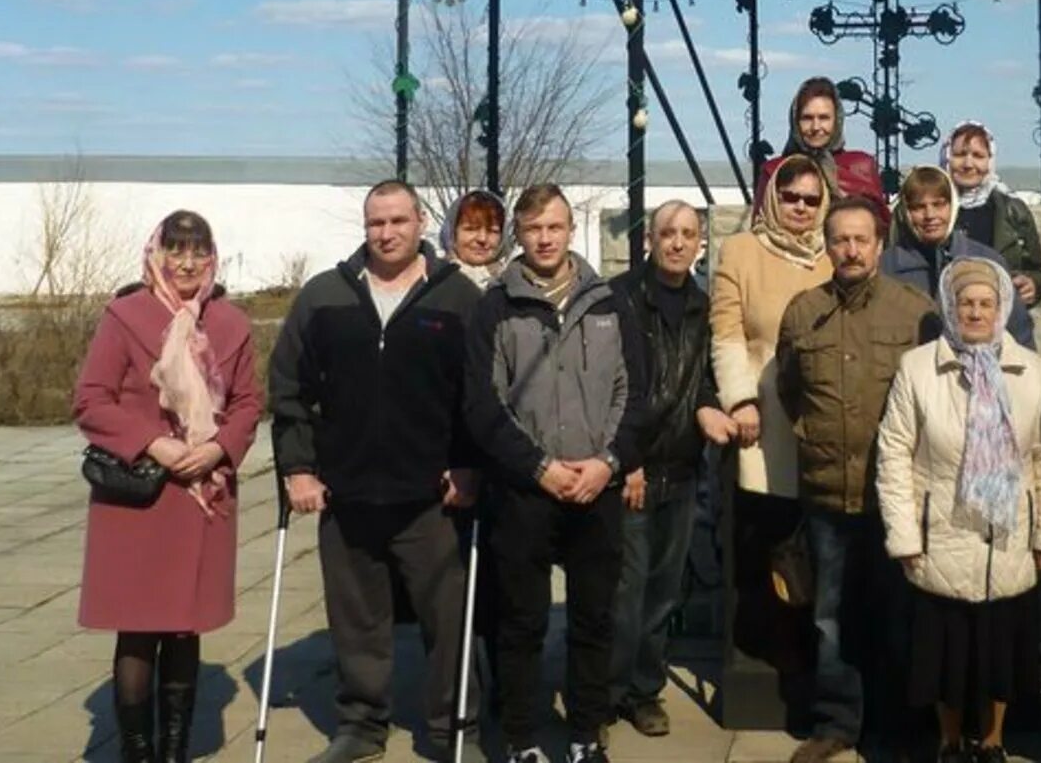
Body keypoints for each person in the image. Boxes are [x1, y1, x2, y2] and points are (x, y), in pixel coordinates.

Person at [269, 181, 483, 763]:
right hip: (347, 491)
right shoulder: (323, 297)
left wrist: (468, 464)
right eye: (375, 223)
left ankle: (451, 725)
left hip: (431, 496)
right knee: (358, 621)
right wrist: (298, 469)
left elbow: (478, 395)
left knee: (449, 620)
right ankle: (361, 726)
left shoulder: (457, 298)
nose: (386, 233)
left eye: (397, 221)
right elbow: (289, 390)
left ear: (419, 222)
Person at [465, 183, 646, 763]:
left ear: (572, 230)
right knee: (521, 622)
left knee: (594, 619)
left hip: (598, 486)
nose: (545, 238)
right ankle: (520, 738)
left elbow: (634, 393)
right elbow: (482, 406)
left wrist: (608, 463)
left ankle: (587, 732)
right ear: (519, 234)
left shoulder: (611, 304)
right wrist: (538, 468)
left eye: (555, 227)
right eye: (533, 228)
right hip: (526, 491)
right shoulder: (496, 306)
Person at [75, 211, 262, 763]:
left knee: (185, 629)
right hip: (139, 498)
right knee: (137, 631)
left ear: (213, 258)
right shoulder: (125, 314)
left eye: (197, 251)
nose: (186, 262)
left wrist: (219, 447)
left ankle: (176, 751)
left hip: (202, 496)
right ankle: (136, 751)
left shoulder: (232, 322)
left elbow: (249, 403)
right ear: (156, 254)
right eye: (175, 250)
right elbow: (92, 400)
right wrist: (155, 445)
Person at [875, 258, 1041, 763]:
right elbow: (893, 454)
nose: (976, 312)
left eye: (986, 303)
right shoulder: (919, 367)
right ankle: (949, 739)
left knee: (1001, 649)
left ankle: (994, 740)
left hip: (1008, 536)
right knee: (945, 653)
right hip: (942, 532)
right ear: (950, 309)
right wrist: (904, 536)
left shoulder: (1030, 368)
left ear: (1002, 308)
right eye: (966, 303)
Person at [777, 197, 939, 763]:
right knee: (830, 618)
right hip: (826, 494)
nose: (850, 250)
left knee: (898, 618)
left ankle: (895, 728)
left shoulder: (916, 312)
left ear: (878, 245)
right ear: (828, 246)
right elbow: (790, 392)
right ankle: (837, 723)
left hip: (894, 499)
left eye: (861, 240)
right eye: (840, 240)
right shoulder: (803, 312)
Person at [609, 201, 738, 738]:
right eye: (669, 233)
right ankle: (605, 694)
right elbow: (612, 387)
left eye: (689, 234)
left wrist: (709, 405)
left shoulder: (703, 307)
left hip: (681, 469)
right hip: (632, 470)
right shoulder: (618, 300)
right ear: (649, 239)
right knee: (624, 592)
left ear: (700, 241)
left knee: (663, 592)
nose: (678, 243)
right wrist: (628, 459)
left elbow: (703, 378)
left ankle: (643, 691)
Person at [709, 154, 831, 679]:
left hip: (826, 421)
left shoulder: (837, 253)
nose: (800, 207)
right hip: (763, 421)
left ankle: (820, 662)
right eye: (790, 196)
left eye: (810, 198)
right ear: (772, 197)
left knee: (824, 546)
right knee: (768, 542)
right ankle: (774, 656)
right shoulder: (741, 251)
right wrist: (740, 399)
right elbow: (728, 332)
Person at [881, 164, 1036, 350]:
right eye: (918, 207)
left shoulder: (987, 261)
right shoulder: (887, 267)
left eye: (939, 204)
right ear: (905, 212)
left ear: (953, 205)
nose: (930, 215)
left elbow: (1019, 330)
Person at [942, 121, 1041, 352]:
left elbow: (1038, 270)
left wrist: (1034, 283)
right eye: (959, 154)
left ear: (990, 161)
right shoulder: (932, 210)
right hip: (943, 331)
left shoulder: (1013, 211)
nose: (968, 163)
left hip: (1004, 334)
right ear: (946, 157)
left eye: (978, 155)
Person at [754, 77, 889, 227]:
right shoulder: (774, 170)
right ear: (795, 121)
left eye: (824, 118)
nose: (816, 126)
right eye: (807, 118)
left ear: (837, 120)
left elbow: (881, 230)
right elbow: (760, 228)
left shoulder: (861, 166)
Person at [442, 188, 509, 286]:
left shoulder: (514, 285)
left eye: (492, 231)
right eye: (471, 229)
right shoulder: (433, 283)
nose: (482, 238)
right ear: (452, 233)